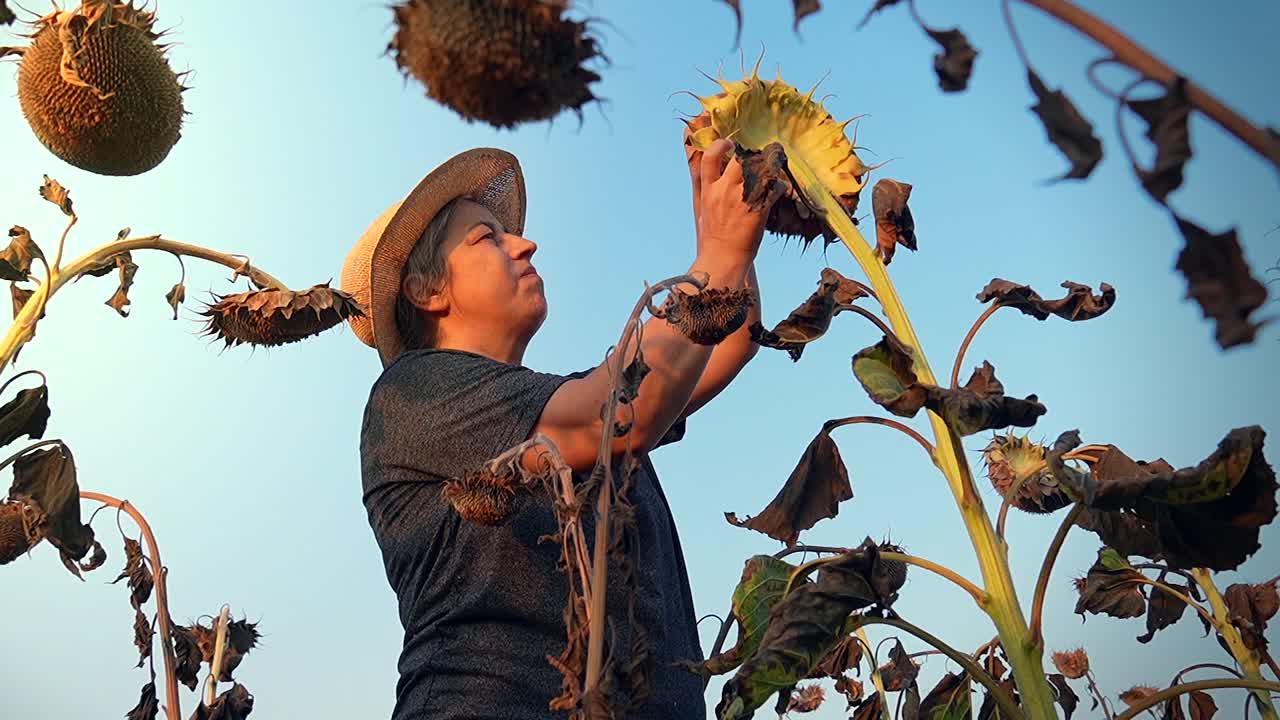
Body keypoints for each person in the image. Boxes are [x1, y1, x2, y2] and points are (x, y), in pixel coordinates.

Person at [340, 135, 778, 719]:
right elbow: (622, 412)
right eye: (487, 238)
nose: (525, 244)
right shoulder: (414, 394)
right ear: (427, 291)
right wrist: (718, 256)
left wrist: (720, 212)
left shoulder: (558, 401)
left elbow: (730, 340)